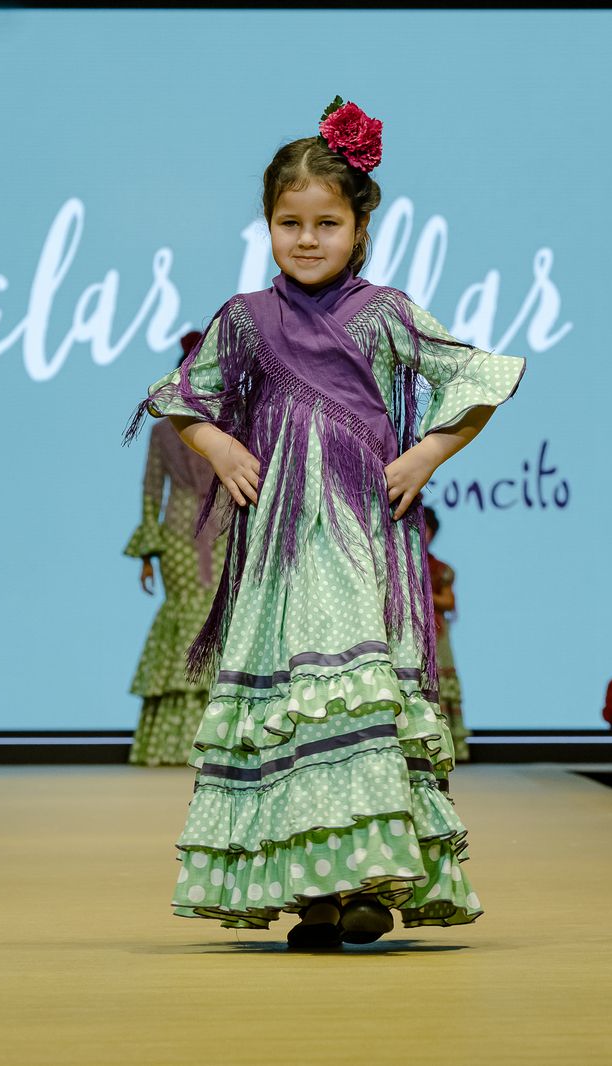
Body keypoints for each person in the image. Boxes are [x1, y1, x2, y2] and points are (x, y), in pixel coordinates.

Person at [128, 98, 523, 949]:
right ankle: (316, 895)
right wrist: (220, 446)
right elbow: (180, 397)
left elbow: (477, 377)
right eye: (289, 223)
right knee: (293, 709)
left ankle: (363, 880)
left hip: (357, 536)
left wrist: (425, 455)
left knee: (351, 696)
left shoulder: (386, 313)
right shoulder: (246, 318)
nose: (307, 240)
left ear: (361, 226)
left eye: (327, 223)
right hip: (278, 549)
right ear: (268, 225)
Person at [124, 331, 226, 767]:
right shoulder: (210, 428)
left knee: (208, 615)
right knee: (200, 615)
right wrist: (148, 552)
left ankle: (189, 739)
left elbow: (152, 491)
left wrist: (150, 551)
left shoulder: (214, 426)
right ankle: (199, 739)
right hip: (201, 527)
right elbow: (152, 489)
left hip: (203, 527)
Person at [423, 508, 468, 761]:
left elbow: (449, 602)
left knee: (441, 680)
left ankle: (447, 748)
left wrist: (422, 592)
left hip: (437, 632)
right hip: (409, 630)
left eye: (427, 529)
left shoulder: (440, 569)